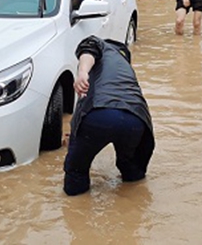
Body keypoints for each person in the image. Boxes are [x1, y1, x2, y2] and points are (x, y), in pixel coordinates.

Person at [63, 35, 155, 196]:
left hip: (99, 114)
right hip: (136, 119)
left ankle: (76, 211)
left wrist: (82, 72)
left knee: (76, 170)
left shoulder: (100, 44)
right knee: (132, 169)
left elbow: (88, 49)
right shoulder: (125, 66)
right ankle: (133, 212)